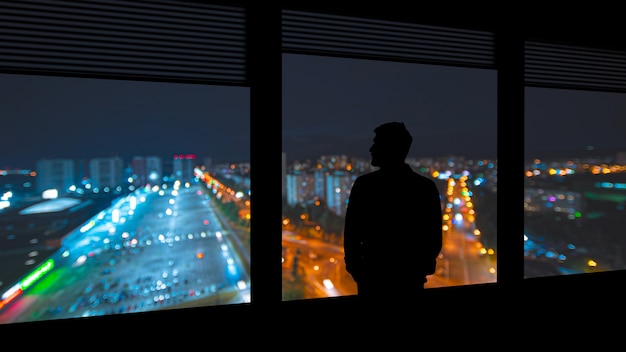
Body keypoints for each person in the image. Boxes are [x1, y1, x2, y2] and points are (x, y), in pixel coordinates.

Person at [343, 121, 443, 306]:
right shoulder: (424, 187)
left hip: (376, 279)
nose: (371, 149)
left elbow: (352, 233)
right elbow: (433, 238)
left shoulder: (365, 185)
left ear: (391, 148)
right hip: (407, 280)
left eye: (377, 143)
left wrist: (359, 270)